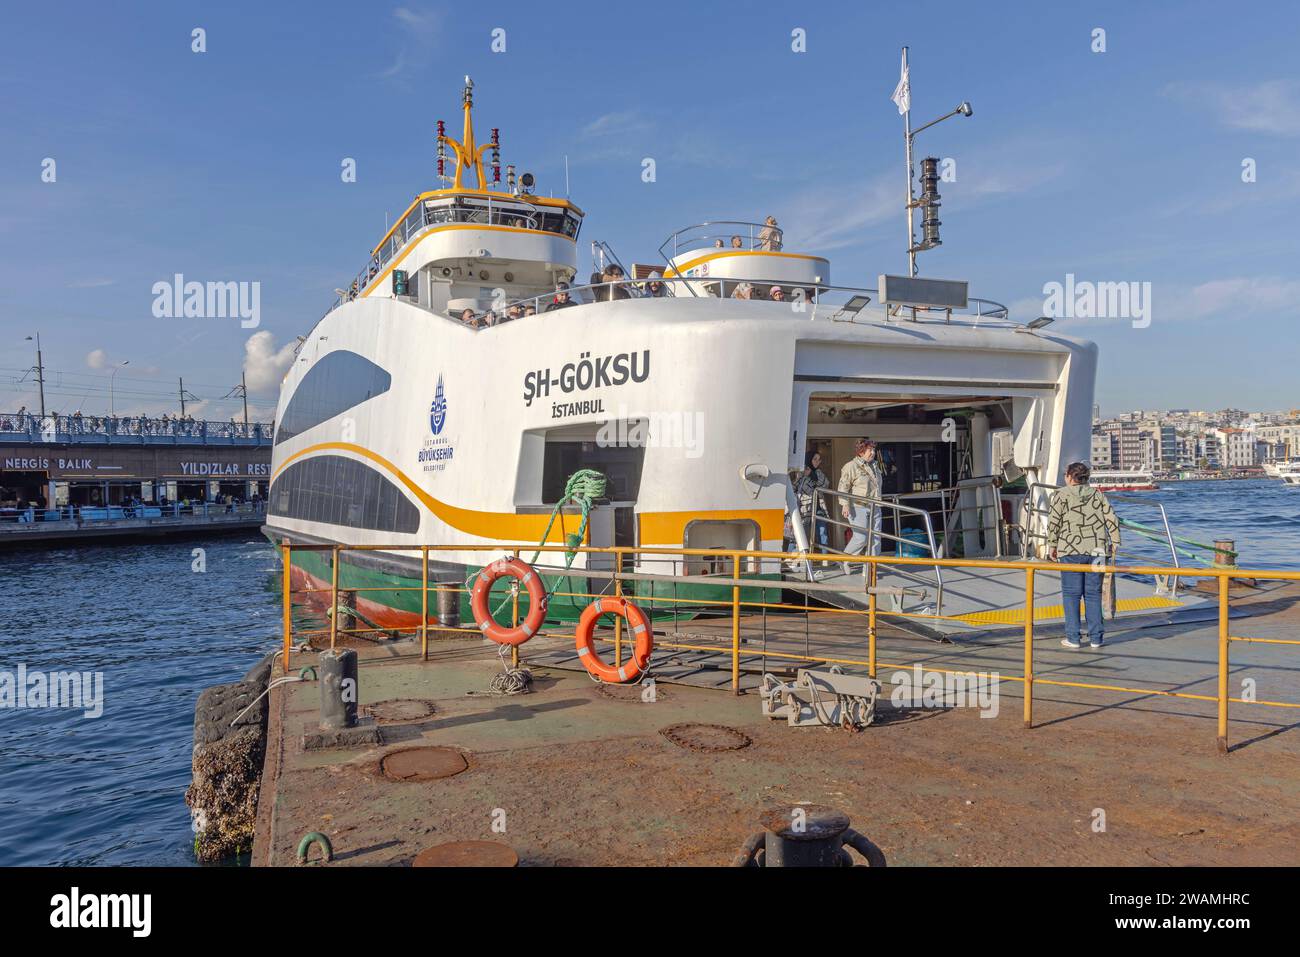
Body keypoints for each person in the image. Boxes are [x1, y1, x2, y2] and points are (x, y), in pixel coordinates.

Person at [1046, 461, 1121, 650]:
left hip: (1070, 551)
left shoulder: (1061, 495)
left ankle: (1073, 637)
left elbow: (1054, 522)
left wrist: (1052, 545)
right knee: (1093, 594)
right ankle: (1096, 638)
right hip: (1096, 551)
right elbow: (1111, 518)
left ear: (1070, 477)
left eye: (1066, 474)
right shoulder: (1098, 495)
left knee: (1071, 594)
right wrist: (1115, 541)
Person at [837, 438, 883, 574]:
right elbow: (843, 486)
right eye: (870, 450)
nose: (873, 452)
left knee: (876, 539)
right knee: (861, 538)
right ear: (861, 451)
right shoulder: (851, 466)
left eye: (874, 450)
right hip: (858, 506)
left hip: (875, 505)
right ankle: (843, 559)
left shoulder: (875, 466)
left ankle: (870, 568)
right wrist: (845, 504)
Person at [794, 450, 832, 555]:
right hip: (804, 509)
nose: (817, 461)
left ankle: (825, 558)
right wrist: (806, 475)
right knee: (801, 534)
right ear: (809, 459)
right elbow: (795, 487)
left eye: (819, 459)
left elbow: (826, 484)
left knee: (822, 533)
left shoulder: (819, 472)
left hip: (819, 508)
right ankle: (800, 559)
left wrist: (812, 476)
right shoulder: (801, 471)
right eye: (815, 459)